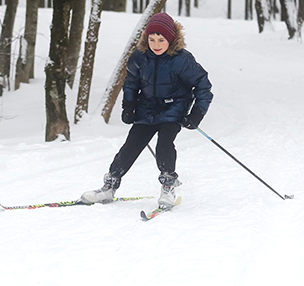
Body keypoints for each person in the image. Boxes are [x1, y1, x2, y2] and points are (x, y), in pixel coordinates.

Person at [81, 12, 213, 209]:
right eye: (152, 39)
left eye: (161, 40)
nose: (156, 44)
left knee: (164, 144)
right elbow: (131, 84)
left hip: (174, 107)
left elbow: (203, 86)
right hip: (147, 108)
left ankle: (168, 186)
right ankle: (109, 186)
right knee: (130, 147)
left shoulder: (182, 60)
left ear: (171, 39)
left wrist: (196, 114)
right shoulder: (139, 58)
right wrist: (129, 106)